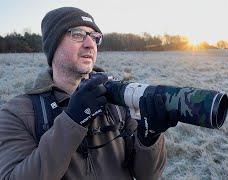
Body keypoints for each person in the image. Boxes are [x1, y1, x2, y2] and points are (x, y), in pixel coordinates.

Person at [0, 7, 177, 180]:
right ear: (53, 45)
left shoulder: (118, 99)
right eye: (78, 35)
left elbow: (147, 175)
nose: (90, 44)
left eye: (95, 37)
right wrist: (73, 120)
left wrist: (149, 138)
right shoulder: (17, 113)